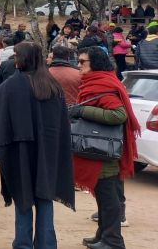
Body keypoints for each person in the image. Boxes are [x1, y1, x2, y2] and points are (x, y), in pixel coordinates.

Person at [0, 42, 75, 249]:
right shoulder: (53, 86)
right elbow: (62, 124)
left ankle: (23, 244)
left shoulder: (12, 85)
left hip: (20, 152)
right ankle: (46, 244)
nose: (14, 59)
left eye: (17, 55)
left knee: (23, 196)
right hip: (48, 152)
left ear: (25, 58)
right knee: (44, 197)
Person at [72, 46, 140, 249]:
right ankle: (103, 235)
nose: (78, 65)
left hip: (104, 153)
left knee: (109, 200)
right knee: (105, 198)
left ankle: (113, 241)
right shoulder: (99, 81)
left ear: (95, 64)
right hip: (100, 148)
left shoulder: (102, 85)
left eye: (82, 62)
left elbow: (119, 115)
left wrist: (84, 110)